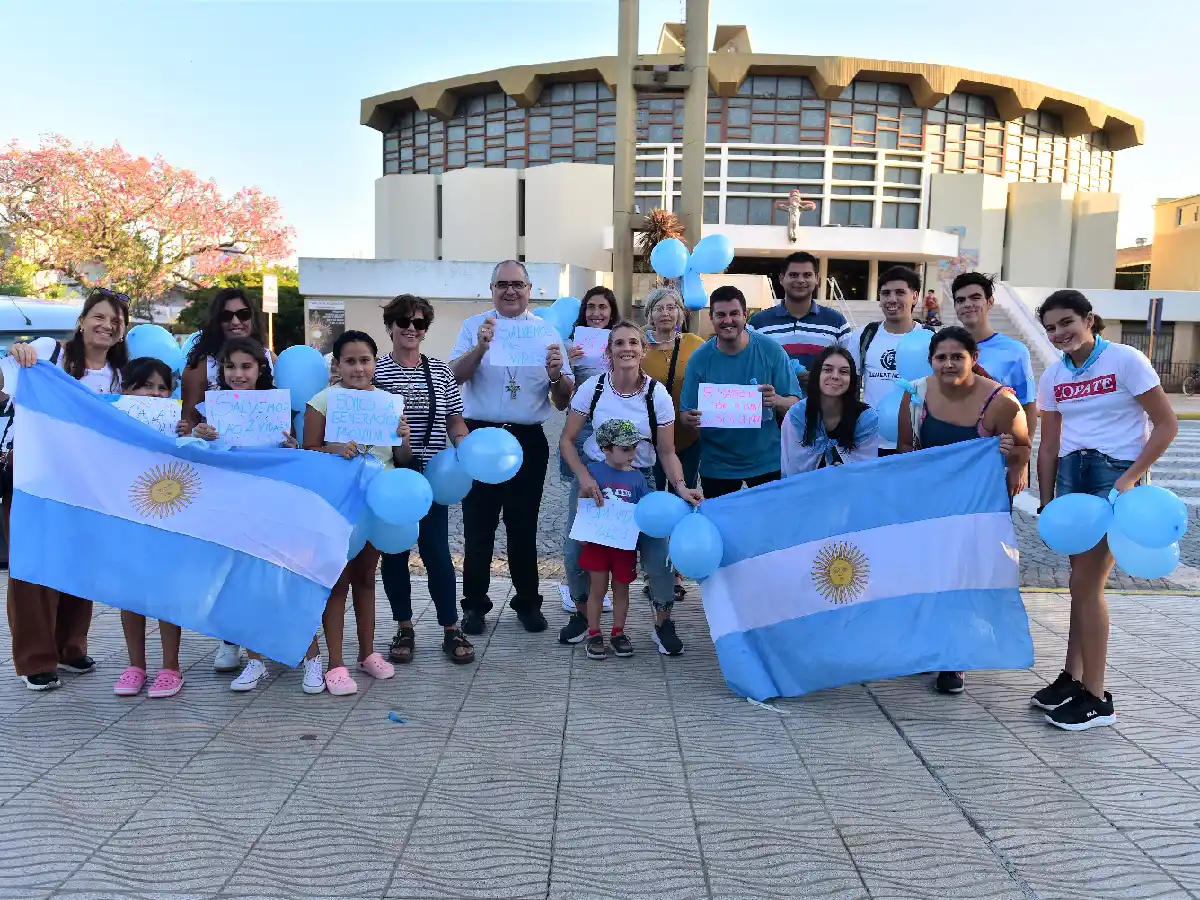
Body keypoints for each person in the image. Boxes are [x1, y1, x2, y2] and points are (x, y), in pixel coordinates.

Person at [1033, 290, 1176, 731]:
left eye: (1066, 323)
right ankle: (1073, 678)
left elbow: (1166, 424)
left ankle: (1097, 697)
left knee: (1088, 584)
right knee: (1079, 583)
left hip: (1112, 475)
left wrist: (1129, 478)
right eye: (1051, 328)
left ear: (1089, 319)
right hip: (1073, 478)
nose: (1059, 334)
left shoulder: (1126, 360)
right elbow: (1051, 443)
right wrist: (1046, 500)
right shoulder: (1054, 374)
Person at [0, 287, 129, 690]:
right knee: (33, 567)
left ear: (123, 332)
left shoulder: (122, 377)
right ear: (82, 320)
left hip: (88, 486)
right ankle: (36, 660)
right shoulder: (46, 353)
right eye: (100, 316)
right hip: (34, 478)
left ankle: (70, 646)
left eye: (116, 321)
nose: (106, 325)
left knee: (79, 565)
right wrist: (17, 356)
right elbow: (5, 386)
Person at [897, 326, 1031, 697]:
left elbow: (1022, 448)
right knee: (926, 575)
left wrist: (1014, 462)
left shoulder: (1001, 402)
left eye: (958, 356)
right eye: (941, 357)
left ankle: (953, 658)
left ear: (974, 359)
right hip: (929, 503)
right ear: (931, 361)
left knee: (960, 578)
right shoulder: (915, 396)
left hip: (975, 508)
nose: (949, 363)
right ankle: (928, 645)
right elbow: (906, 448)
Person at [558, 321, 703, 655]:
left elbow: (667, 452)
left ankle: (663, 622)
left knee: (657, 556)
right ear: (608, 351)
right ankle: (583, 618)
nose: (626, 348)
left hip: (642, 481)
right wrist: (583, 475)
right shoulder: (593, 389)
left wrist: (681, 487)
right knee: (575, 553)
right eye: (619, 342)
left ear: (643, 349)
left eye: (633, 342)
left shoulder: (657, 394)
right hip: (595, 480)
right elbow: (567, 440)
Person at [449, 260, 574, 636]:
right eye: (502, 284)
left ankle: (528, 603)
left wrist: (556, 375)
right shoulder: (474, 327)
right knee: (478, 526)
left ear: (529, 289)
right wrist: (481, 349)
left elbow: (563, 400)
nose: (510, 291)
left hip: (526, 439)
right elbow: (454, 375)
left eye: (517, 284)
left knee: (524, 527)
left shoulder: (546, 332)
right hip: (481, 436)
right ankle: (474, 606)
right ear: (492, 289)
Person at [303, 330, 411, 696]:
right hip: (337, 502)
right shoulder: (322, 400)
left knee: (366, 576)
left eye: (365, 360)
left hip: (376, 500)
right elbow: (307, 452)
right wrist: (333, 449)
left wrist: (404, 435)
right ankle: (335, 663)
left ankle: (367, 652)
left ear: (375, 363)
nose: (358, 367)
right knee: (337, 580)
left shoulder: (388, 403)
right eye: (350, 361)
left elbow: (402, 460)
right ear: (337, 365)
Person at [190, 338, 299, 691]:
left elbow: (292, 454)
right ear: (221, 370)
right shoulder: (212, 409)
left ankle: (271, 639)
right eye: (230, 367)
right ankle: (230, 639)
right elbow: (199, 455)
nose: (238, 374)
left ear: (260, 369)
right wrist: (199, 435)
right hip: (229, 501)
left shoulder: (277, 407)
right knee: (230, 571)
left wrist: (291, 446)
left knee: (267, 571)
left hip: (267, 501)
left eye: (246, 367)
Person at [372, 293, 474, 666]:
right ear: (391, 327)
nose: (411, 329)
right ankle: (404, 626)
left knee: (438, 556)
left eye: (419, 323)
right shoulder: (377, 371)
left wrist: (467, 448)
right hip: (391, 477)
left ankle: (450, 627)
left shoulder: (441, 371)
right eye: (404, 322)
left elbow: (454, 420)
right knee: (395, 555)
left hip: (432, 478)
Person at [182, 287, 275, 674]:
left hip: (259, 478)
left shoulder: (269, 357)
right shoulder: (200, 363)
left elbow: (276, 407)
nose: (236, 320)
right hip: (218, 476)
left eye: (243, 313)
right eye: (227, 315)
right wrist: (196, 432)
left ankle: (264, 636)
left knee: (259, 559)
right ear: (215, 319)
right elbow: (187, 419)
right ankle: (229, 639)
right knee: (225, 560)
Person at [111, 358, 190, 698]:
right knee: (131, 591)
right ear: (126, 391)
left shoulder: (178, 428)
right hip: (126, 516)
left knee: (167, 590)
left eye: (162, 388)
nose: (154, 395)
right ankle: (135, 665)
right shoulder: (112, 425)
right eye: (144, 386)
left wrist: (191, 436)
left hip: (168, 515)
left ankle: (171, 666)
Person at [680, 285, 800, 498]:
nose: (728, 321)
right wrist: (690, 419)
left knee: (767, 525)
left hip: (766, 461)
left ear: (745, 315)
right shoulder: (699, 359)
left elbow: (796, 403)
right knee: (722, 528)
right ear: (711, 318)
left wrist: (777, 400)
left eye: (734, 313)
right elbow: (685, 413)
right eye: (721, 315)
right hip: (717, 464)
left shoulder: (771, 350)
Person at [641, 286, 705, 604]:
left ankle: (676, 570)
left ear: (682, 313)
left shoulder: (696, 345)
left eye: (671, 307)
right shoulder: (639, 346)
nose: (665, 313)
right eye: (659, 308)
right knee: (655, 506)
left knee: (682, 502)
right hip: (650, 444)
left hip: (689, 440)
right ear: (649, 314)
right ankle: (655, 572)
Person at [577, 420, 653, 660]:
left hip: (624, 546)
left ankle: (618, 632)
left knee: (622, 589)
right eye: (625, 449)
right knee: (597, 590)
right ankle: (594, 632)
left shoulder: (638, 478)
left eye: (634, 447)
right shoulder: (594, 472)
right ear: (606, 449)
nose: (633, 453)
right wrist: (582, 531)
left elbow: (646, 510)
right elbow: (583, 502)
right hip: (598, 545)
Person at [846, 266, 928, 456]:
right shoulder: (863, 337)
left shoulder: (929, 338)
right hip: (870, 441)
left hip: (918, 442)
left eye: (900, 292)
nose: (892, 299)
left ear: (915, 297)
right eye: (885, 293)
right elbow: (850, 385)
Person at [951, 272, 1038, 446]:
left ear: (989, 302)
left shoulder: (1015, 351)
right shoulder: (945, 349)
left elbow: (1027, 406)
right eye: (960, 300)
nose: (967, 304)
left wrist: (1022, 454)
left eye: (975, 298)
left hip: (994, 449)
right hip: (953, 446)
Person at [749, 251, 850, 382]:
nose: (801, 280)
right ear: (781, 279)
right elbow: (749, 367)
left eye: (807, 275)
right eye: (793, 275)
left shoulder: (837, 323)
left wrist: (817, 378)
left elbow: (849, 370)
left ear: (817, 279)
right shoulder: (758, 323)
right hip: (773, 401)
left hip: (822, 402)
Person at [780, 345, 879, 475]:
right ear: (817, 375)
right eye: (827, 370)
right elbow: (791, 467)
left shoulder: (866, 418)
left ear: (852, 379)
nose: (835, 376)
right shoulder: (796, 416)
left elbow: (867, 472)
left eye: (844, 372)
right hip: (807, 492)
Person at [557, 286, 620, 486]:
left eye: (603, 307)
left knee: (614, 485)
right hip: (583, 423)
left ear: (611, 312)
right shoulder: (570, 345)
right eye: (590, 307)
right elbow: (561, 397)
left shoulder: (622, 342)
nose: (596, 313)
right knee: (582, 486)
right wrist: (567, 365)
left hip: (616, 420)